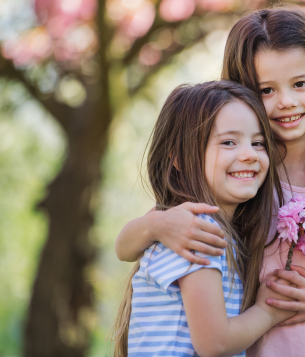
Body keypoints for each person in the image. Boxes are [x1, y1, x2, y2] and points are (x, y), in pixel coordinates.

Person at [116, 6, 305, 357]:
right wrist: (159, 224)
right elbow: (128, 245)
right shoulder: (241, 178)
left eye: (300, 84)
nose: (286, 102)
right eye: (266, 90)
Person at [112, 80, 295, 357]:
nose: (249, 154)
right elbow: (214, 343)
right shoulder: (196, 228)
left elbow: (123, 247)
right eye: (229, 142)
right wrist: (267, 312)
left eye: (258, 143)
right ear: (179, 159)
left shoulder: (191, 223)